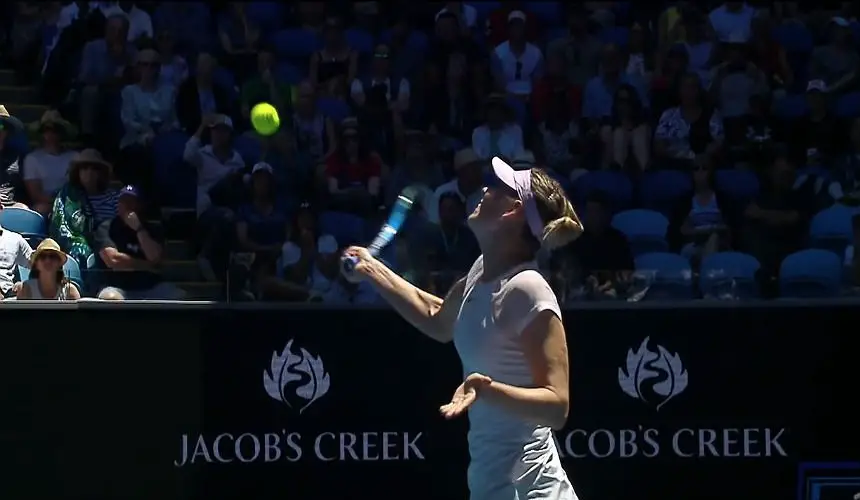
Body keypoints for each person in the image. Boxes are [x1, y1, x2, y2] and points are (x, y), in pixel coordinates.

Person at [342, 157, 583, 500]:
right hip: (491, 486)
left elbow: (557, 406)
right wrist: (372, 270)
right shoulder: (480, 271)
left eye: (498, 189)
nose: (486, 189)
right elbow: (437, 316)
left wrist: (485, 389)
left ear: (513, 211)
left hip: (531, 492)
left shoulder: (528, 288)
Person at [15, 238, 80, 300]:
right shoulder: (25, 289)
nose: (47, 261)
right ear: (36, 264)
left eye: (52, 256)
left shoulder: (70, 291)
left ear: (59, 263)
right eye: (43, 256)